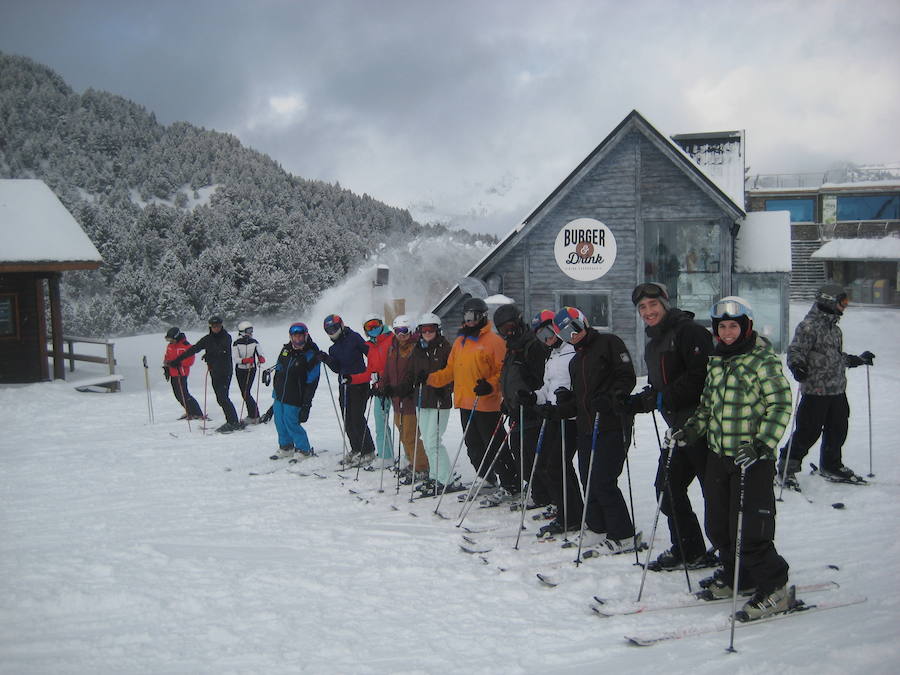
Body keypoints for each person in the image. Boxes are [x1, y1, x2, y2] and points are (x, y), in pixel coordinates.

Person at [669, 296, 793, 621]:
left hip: (752, 459)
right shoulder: (717, 360)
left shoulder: (761, 360)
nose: (726, 332)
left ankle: (776, 588)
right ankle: (741, 576)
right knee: (719, 525)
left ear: (746, 327)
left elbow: (780, 405)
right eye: (721, 326)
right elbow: (708, 406)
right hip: (719, 456)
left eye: (733, 326)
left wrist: (762, 444)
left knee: (750, 530)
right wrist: (690, 430)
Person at [627, 282, 715, 571]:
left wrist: (663, 395)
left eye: (653, 305)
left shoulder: (690, 332)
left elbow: (701, 377)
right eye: (642, 307)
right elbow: (660, 384)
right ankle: (689, 550)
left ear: (665, 303)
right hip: (677, 428)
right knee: (667, 487)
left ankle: (737, 558)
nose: (648, 311)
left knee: (715, 495)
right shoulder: (654, 344)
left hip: (704, 427)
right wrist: (643, 400)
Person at [553, 307, 639, 552]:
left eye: (575, 328)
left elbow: (626, 377)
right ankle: (598, 528)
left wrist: (612, 398)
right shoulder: (576, 359)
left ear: (584, 323)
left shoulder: (609, 343)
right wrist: (564, 403)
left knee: (603, 481)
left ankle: (623, 535)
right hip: (586, 427)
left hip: (611, 424)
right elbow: (582, 400)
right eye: (565, 333)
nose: (573, 335)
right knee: (588, 479)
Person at [778, 283, 875, 486]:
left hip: (837, 389)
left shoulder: (834, 329)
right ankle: (787, 467)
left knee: (838, 428)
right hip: (815, 390)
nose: (845, 306)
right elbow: (795, 351)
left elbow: (834, 357)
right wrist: (797, 367)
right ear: (829, 301)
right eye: (843, 302)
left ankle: (831, 464)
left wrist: (857, 359)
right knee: (808, 431)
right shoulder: (809, 326)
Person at [427, 297, 507, 494]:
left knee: (494, 446)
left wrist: (490, 385)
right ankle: (487, 479)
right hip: (465, 403)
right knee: (473, 446)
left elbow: (503, 371)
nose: (470, 321)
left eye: (474, 316)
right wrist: (430, 379)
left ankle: (510, 483)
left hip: (487, 404)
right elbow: (451, 369)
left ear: (483, 316)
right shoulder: (460, 342)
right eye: (467, 316)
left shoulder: (494, 341)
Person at [529, 310, 582, 538]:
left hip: (569, 420)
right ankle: (569, 511)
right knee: (553, 465)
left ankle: (570, 515)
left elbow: (575, 387)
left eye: (548, 332)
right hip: (553, 417)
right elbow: (548, 388)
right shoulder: (552, 355)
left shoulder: (572, 351)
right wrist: (534, 397)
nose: (547, 339)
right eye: (541, 336)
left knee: (556, 465)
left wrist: (564, 401)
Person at [491, 303, 550, 507]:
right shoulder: (512, 347)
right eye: (502, 329)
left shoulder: (531, 344)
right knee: (521, 457)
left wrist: (531, 394)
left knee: (535, 458)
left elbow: (542, 378)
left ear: (518, 320)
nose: (507, 331)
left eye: (509, 326)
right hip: (517, 410)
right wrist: (508, 402)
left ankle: (547, 496)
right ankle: (538, 493)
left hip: (532, 412)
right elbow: (509, 377)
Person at [403, 312, 459, 495]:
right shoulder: (417, 349)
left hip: (438, 400)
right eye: (424, 329)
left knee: (434, 441)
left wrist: (444, 388)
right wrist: (408, 385)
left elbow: (453, 373)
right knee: (426, 441)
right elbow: (410, 372)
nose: (427, 333)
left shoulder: (445, 348)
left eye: (431, 329)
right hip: (421, 399)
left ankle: (444, 479)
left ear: (438, 330)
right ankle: (435, 476)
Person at [317, 314, 376, 465]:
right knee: (347, 418)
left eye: (334, 328)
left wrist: (373, 371)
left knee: (357, 417)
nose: (332, 332)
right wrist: (326, 358)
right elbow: (337, 368)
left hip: (360, 384)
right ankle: (356, 448)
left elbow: (370, 353)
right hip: (344, 385)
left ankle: (368, 450)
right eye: (329, 330)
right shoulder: (333, 348)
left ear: (341, 325)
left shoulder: (354, 337)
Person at [167, 315, 242, 433]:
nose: (216, 328)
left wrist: (209, 354)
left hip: (225, 371)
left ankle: (233, 422)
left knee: (223, 397)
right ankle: (232, 421)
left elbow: (222, 349)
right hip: (214, 371)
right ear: (210, 327)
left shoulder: (226, 337)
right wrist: (177, 360)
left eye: (218, 326)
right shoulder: (207, 339)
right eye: (213, 326)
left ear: (221, 325)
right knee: (220, 398)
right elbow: (194, 349)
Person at [381, 315, 429, 484]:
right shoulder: (393, 348)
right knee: (402, 434)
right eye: (397, 331)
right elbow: (387, 369)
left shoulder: (416, 348)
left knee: (410, 435)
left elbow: (417, 373)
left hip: (410, 399)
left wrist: (409, 389)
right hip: (396, 398)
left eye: (404, 331)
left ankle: (422, 467)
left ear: (411, 330)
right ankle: (412, 462)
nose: (401, 335)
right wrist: (384, 386)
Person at [270, 322, 320, 460]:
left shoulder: (310, 354)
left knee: (291, 422)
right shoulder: (286, 350)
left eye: (300, 337)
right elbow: (279, 368)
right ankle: (286, 446)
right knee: (279, 421)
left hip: (295, 395)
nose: (297, 340)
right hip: (280, 393)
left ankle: (303, 449)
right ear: (291, 337)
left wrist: (306, 404)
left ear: (306, 336)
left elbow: (312, 381)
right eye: (295, 337)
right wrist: (276, 387)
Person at [360, 314, 394, 469]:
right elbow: (370, 371)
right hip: (379, 389)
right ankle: (386, 456)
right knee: (380, 423)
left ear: (382, 324)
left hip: (396, 387)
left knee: (403, 424)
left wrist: (382, 376)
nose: (373, 329)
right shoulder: (371, 346)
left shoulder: (392, 339)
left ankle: (411, 457)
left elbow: (396, 364)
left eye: (375, 325)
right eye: (369, 327)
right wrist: (352, 378)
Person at [163, 327, 204, 420]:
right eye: (168, 339)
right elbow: (167, 356)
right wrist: (166, 366)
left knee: (184, 394)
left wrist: (178, 363)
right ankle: (189, 411)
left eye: (171, 339)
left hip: (181, 373)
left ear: (176, 337)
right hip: (173, 373)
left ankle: (197, 412)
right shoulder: (170, 346)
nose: (170, 341)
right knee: (178, 395)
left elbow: (190, 361)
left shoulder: (186, 346)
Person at [232, 320, 266, 424]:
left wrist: (261, 358)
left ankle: (254, 415)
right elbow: (235, 358)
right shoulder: (236, 343)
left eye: (251, 330)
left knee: (246, 393)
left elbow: (260, 353)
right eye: (248, 330)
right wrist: (245, 360)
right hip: (240, 370)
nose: (251, 332)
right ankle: (253, 414)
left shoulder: (254, 342)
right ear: (242, 331)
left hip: (251, 369)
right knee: (244, 393)